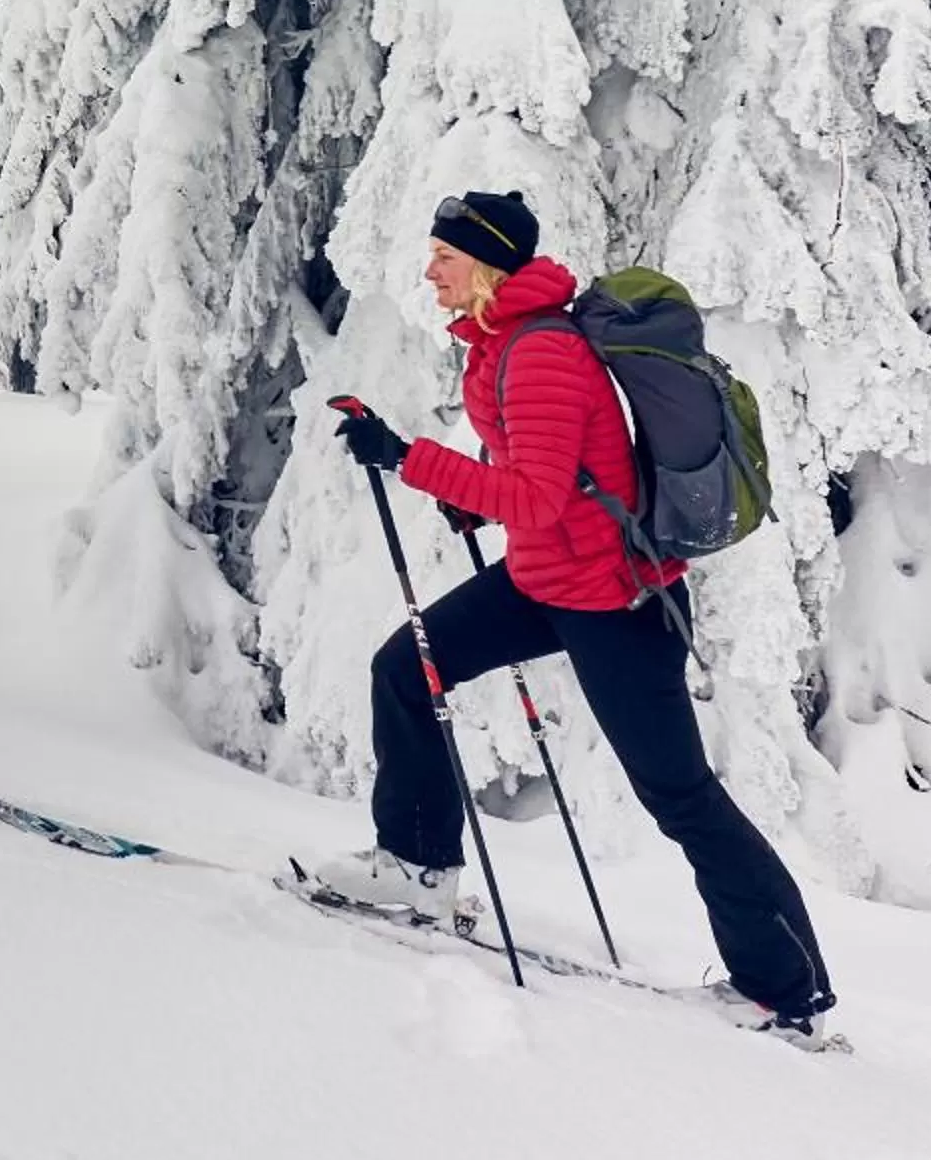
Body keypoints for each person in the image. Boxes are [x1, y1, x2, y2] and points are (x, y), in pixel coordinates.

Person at [320, 189, 836, 1044]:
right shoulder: (501, 346)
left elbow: (541, 494)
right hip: (547, 579)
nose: (430, 271)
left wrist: (411, 459)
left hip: (614, 601)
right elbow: (544, 480)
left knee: (681, 798)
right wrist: (475, 503)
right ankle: (416, 868)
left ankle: (788, 992)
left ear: (485, 265)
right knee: (407, 666)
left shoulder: (542, 354)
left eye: (445, 257)